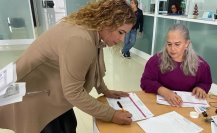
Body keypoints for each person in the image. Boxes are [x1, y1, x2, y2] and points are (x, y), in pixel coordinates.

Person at [0, 0, 136, 133]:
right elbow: (73, 93)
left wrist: (104, 89)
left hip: (47, 90)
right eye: (120, 32)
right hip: (32, 96)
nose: (122, 40)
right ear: (106, 22)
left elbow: (92, 64)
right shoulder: (80, 39)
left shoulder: (88, 27)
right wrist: (111, 115)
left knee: (69, 124)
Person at [140, 24, 212, 107]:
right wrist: (164, 91)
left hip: (186, 108)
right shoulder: (155, 61)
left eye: (177, 44)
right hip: (161, 105)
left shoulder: (201, 65)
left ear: (187, 43)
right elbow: (145, 82)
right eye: (169, 44)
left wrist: (201, 87)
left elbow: (206, 82)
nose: (172, 49)